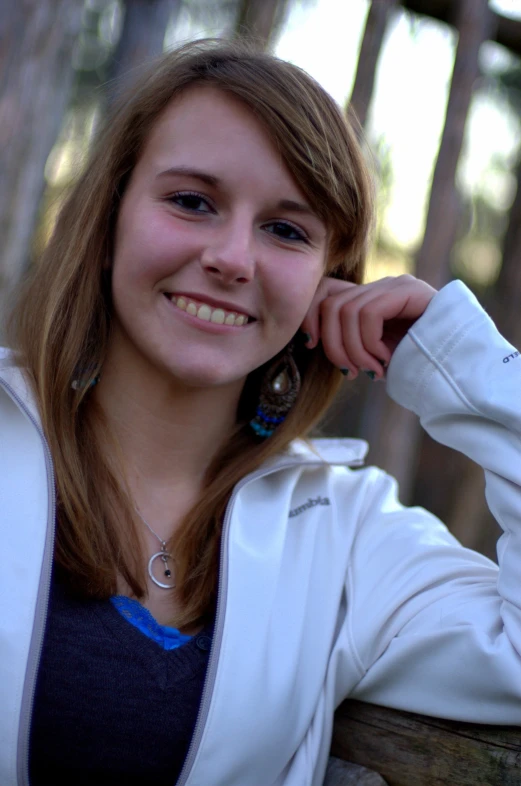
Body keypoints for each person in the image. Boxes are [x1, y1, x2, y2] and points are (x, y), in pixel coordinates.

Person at [1, 38, 520, 786]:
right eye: (191, 202)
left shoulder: (346, 537)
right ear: (108, 221)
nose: (232, 258)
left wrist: (462, 363)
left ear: (326, 280)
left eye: (285, 229)